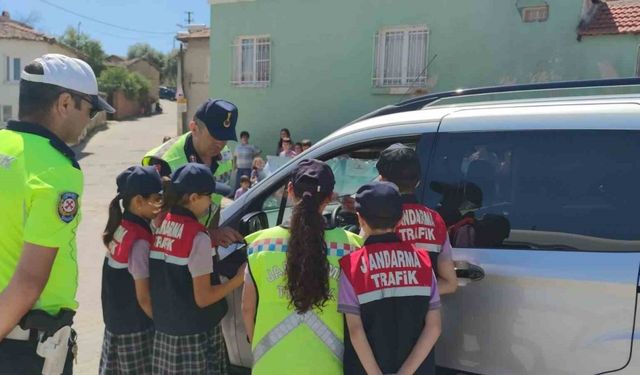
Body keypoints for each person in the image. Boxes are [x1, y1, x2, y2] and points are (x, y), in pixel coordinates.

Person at [0, 54, 115, 374]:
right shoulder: (57, 170)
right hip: (25, 350)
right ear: (65, 103)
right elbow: (28, 282)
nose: (90, 119)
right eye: (90, 109)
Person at [241, 159, 363, 375]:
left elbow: (247, 309)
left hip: (270, 366)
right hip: (326, 366)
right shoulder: (351, 246)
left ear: (289, 190)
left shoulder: (260, 245)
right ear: (329, 198)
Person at [149, 163, 245, 374]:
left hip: (166, 332)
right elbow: (204, 298)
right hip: (195, 336)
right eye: (208, 196)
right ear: (193, 198)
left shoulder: (160, 224)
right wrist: (238, 279)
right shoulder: (198, 238)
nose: (211, 202)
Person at [339, 181, 442, 375]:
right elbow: (434, 327)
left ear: (360, 219)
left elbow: (356, 331)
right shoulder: (423, 261)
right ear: (400, 219)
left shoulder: (352, 266)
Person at [142, 99, 242, 248]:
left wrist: (212, 238)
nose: (220, 144)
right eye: (215, 136)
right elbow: (157, 223)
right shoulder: (164, 162)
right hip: (166, 254)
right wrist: (209, 235)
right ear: (194, 128)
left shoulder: (225, 157)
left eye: (225, 137)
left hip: (199, 247)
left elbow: (215, 204)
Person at [100, 166, 163, 374]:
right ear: (138, 202)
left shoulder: (123, 226)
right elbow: (144, 298)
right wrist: (165, 326)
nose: (161, 204)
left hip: (116, 324)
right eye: (156, 198)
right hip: (134, 330)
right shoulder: (139, 242)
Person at [376, 144, 458, 295]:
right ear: (418, 181)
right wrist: (414, 292)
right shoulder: (436, 220)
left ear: (382, 180)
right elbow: (450, 283)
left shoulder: (377, 218)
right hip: (423, 315)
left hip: (381, 313)